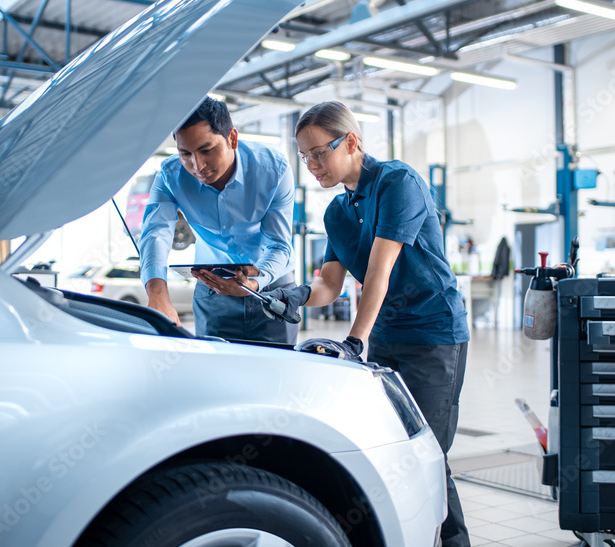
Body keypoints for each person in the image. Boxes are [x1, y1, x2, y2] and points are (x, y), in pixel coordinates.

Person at [264, 101, 471, 546]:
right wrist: (292, 296)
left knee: (428, 456)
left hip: (434, 333)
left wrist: (354, 341)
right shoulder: (336, 213)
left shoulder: (398, 183)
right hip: (387, 335)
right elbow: (331, 286)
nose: (312, 165)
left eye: (319, 152)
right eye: (305, 157)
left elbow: (380, 272)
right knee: (404, 452)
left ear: (352, 141)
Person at [140, 97, 299, 344]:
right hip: (213, 288)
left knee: (277, 375)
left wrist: (254, 283)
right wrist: (158, 293)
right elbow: (155, 234)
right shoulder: (170, 176)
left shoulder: (274, 170)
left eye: (206, 150)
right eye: (185, 154)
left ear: (232, 139)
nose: (197, 166)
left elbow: (278, 245)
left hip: (272, 287)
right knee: (214, 374)